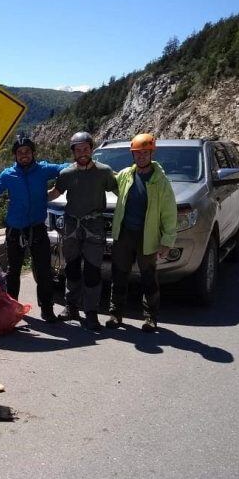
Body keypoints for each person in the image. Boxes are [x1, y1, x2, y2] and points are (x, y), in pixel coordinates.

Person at [0, 134, 70, 323]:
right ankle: (12, 311)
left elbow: (64, 168)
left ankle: (47, 311)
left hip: (38, 229)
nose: (24, 155)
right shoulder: (8, 174)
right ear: (15, 155)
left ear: (33, 153)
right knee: (13, 272)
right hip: (15, 230)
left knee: (44, 271)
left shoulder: (43, 170)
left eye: (28, 152)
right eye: (20, 152)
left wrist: (80, 165)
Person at [106, 133, 177, 332]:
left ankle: (150, 318)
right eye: (138, 153)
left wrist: (166, 241)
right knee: (119, 274)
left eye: (145, 153)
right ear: (133, 155)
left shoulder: (161, 181)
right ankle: (115, 314)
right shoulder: (126, 174)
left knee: (148, 276)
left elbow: (169, 213)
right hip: (125, 234)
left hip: (148, 236)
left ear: (152, 153)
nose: (141, 156)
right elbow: (109, 182)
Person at [48, 131, 118, 331]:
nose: (82, 153)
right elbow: (55, 193)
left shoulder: (104, 172)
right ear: (73, 152)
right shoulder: (67, 174)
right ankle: (71, 307)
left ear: (91, 149)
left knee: (92, 270)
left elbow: (120, 190)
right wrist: (32, 198)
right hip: (71, 224)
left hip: (94, 224)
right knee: (71, 267)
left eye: (86, 149)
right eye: (78, 150)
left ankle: (91, 312)